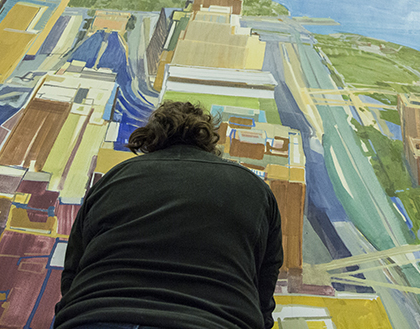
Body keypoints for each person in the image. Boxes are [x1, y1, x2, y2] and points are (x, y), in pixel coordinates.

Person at [54, 100, 284, 329]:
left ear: (153, 138)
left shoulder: (115, 177)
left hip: (95, 317)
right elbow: (265, 287)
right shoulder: (253, 187)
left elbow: (73, 271)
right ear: (206, 140)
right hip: (214, 320)